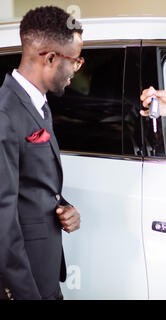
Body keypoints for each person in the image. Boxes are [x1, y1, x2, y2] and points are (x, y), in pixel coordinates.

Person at [0, 6, 83, 300]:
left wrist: (64, 206)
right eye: (75, 61)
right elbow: (2, 218)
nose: (76, 69)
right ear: (50, 58)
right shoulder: (5, 114)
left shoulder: (39, 105)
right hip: (24, 285)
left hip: (45, 272)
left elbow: (30, 182)